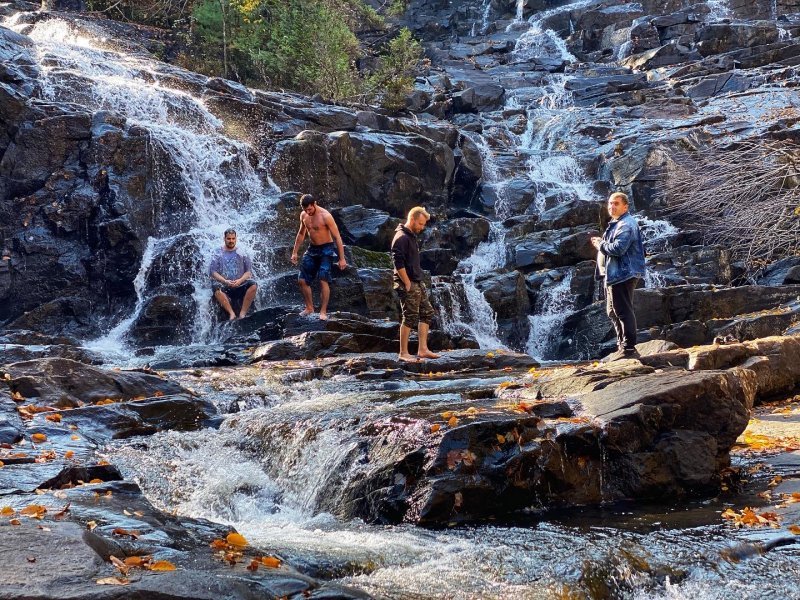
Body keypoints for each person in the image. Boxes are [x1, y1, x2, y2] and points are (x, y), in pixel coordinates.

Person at [591, 192, 646, 361]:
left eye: (616, 203)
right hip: (613, 274)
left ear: (625, 206)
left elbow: (618, 249)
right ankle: (621, 345)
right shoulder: (617, 223)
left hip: (623, 273)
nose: (611, 206)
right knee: (612, 311)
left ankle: (629, 348)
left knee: (622, 311)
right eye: (610, 203)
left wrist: (600, 244)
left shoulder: (626, 224)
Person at [391, 206, 440, 362]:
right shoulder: (401, 238)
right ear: (412, 219)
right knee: (409, 317)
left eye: (424, 224)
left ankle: (423, 349)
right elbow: (398, 263)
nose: (422, 227)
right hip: (408, 282)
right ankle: (403, 353)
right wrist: (407, 283)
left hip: (417, 281)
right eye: (420, 223)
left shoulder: (410, 236)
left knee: (427, 312)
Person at [290, 194, 347, 321]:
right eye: (305, 210)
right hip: (312, 249)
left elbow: (337, 237)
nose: (308, 212)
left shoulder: (325, 216)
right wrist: (295, 252)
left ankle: (323, 311)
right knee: (302, 280)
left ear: (314, 204)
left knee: (323, 279)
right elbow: (301, 234)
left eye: (309, 209)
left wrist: (342, 258)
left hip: (326, 249)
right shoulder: (304, 215)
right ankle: (309, 307)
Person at [209, 229, 258, 321]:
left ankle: (242, 313)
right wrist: (225, 281)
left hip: (240, 284)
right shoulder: (217, 252)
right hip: (225, 285)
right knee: (216, 288)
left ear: (236, 239)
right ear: (224, 239)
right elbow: (213, 272)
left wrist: (240, 280)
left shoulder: (242, 251)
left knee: (253, 285)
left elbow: (248, 272)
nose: (231, 241)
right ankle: (232, 314)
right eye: (228, 239)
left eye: (233, 238)